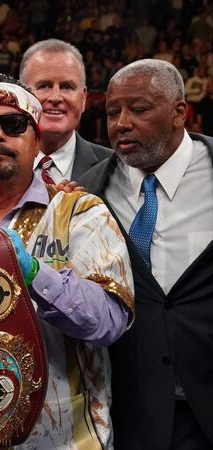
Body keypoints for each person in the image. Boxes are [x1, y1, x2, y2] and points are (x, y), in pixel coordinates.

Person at [0, 75, 134, 448]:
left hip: (63, 436)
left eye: (13, 124)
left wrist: (30, 272)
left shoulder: (80, 212)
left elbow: (110, 321)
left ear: (37, 140)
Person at [80, 59, 213, 450]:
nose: (121, 123)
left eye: (138, 110)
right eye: (112, 112)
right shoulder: (90, 190)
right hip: (132, 408)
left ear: (178, 114)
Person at [0, 39, 112, 195]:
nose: (55, 97)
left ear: (83, 98)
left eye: (67, 87)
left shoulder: (112, 165)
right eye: (44, 86)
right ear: (21, 95)